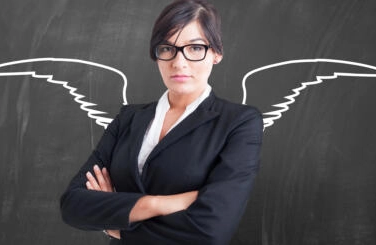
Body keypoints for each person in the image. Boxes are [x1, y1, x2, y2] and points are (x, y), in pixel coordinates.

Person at [60, 0, 263, 244]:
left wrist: (116, 223)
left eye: (195, 48)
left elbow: (211, 230)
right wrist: (159, 203)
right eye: (167, 48)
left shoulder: (238, 123)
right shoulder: (128, 118)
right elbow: (72, 205)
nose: (179, 62)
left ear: (216, 53)